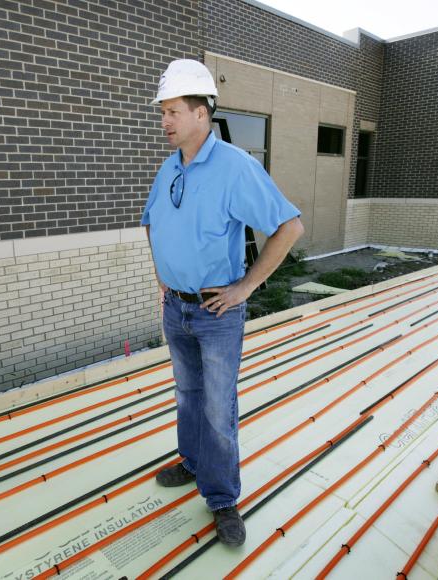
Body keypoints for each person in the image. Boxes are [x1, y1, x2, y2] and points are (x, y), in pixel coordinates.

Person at [142, 59, 304, 546]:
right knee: (187, 395)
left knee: (217, 406)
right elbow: (151, 222)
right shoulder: (170, 167)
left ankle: (222, 497)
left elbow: (288, 227)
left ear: (200, 113)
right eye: (163, 112)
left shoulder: (235, 167)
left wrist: (245, 288)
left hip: (217, 314)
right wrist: (164, 278)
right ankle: (192, 463)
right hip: (178, 309)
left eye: (172, 111)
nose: (165, 121)